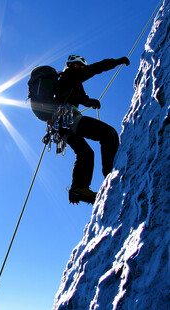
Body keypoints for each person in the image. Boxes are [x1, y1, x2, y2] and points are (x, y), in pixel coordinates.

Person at [54, 54, 130, 203]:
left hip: (61, 127)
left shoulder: (70, 82)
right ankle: (111, 174)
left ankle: (78, 189)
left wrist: (91, 102)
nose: (81, 68)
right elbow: (96, 68)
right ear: (70, 65)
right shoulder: (70, 75)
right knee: (108, 133)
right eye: (78, 65)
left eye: (82, 66)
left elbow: (82, 98)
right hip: (69, 119)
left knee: (85, 153)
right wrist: (116, 61)